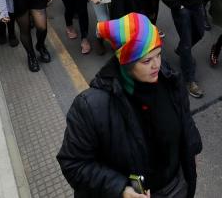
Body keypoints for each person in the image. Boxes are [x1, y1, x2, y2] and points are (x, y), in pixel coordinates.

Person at [57, 13, 202, 197]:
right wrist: (121, 189)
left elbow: (184, 118)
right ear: (126, 62)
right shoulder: (91, 107)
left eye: (158, 54)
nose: (156, 65)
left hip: (176, 186)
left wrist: (192, 150)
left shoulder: (168, 77)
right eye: (146, 61)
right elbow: (73, 163)